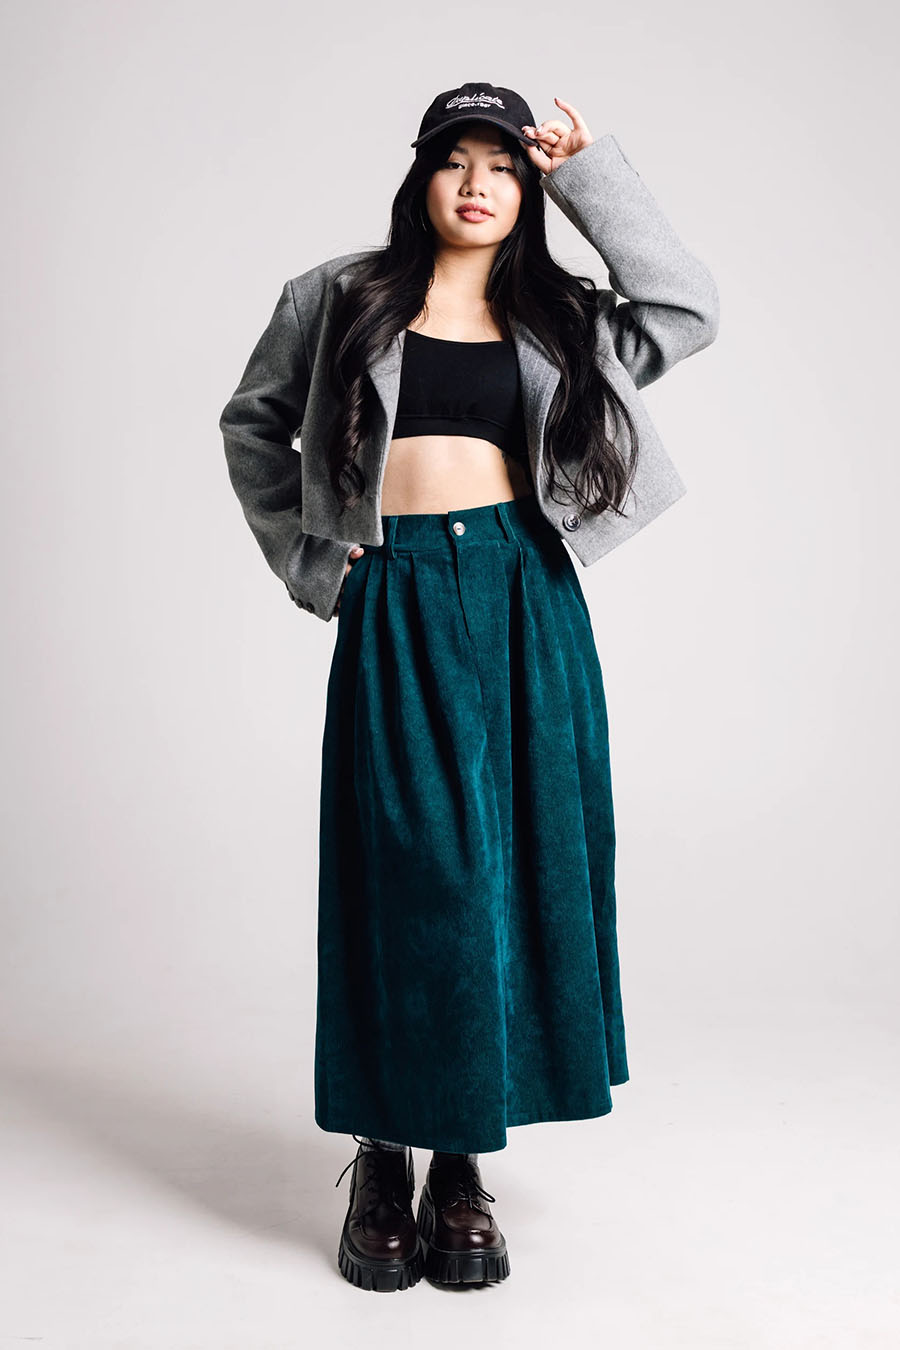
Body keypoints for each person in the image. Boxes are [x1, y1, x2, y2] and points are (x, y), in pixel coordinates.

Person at [219, 81, 719, 1294]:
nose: (479, 183)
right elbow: (254, 425)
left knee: (509, 874)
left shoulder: (560, 317)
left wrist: (588, 171)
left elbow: (685, 308)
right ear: (423, 178)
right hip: (394, 593)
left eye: (504, 164)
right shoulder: (338, 298)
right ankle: (380, 1154)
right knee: (412, 874)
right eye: (457, 160)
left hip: (523, 593)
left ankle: (458, 1164)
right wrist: (316, 562)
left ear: (527, 189)